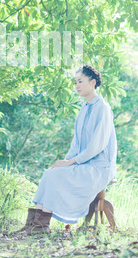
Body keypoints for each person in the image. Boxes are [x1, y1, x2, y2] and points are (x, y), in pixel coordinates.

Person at [15, 65, 117, 235]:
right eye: (75, 82)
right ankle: (35, 224)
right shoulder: (84, 109)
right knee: (50, 172)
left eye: (81, 81)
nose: (77, 85)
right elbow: (76, 144)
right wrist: (65, 162)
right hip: (82, 163)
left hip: (99, 167)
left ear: (92, 82)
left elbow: (97, 145)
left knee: (55, 175)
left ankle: (40, 226)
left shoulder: (103, 107)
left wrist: (70, 162)